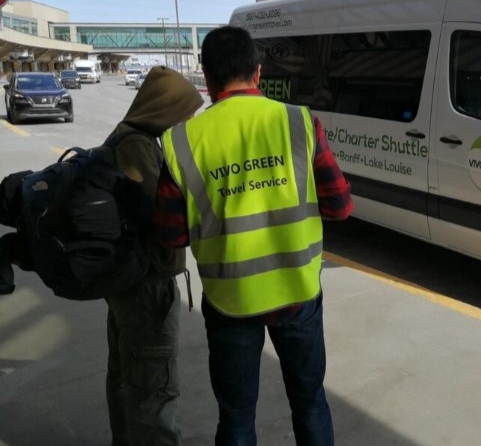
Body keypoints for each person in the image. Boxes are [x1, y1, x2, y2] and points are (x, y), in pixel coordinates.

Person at [155, 25, 353, 446]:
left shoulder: (181, 141)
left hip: (230, 301)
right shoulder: (299, 122)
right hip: (297, 293)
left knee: (238, 417)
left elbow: (171, 236)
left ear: (206, 78)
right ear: (258, 73)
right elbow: (340, 205)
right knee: (310, 402)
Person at [106, 66, 204, 446]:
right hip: (146, 285)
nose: (190, 120)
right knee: (154, 386)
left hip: (128, 280)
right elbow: (160, 218)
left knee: (126, 373)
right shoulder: (138, 148)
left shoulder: (127, 137)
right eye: (185, 111)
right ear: (166, 108)